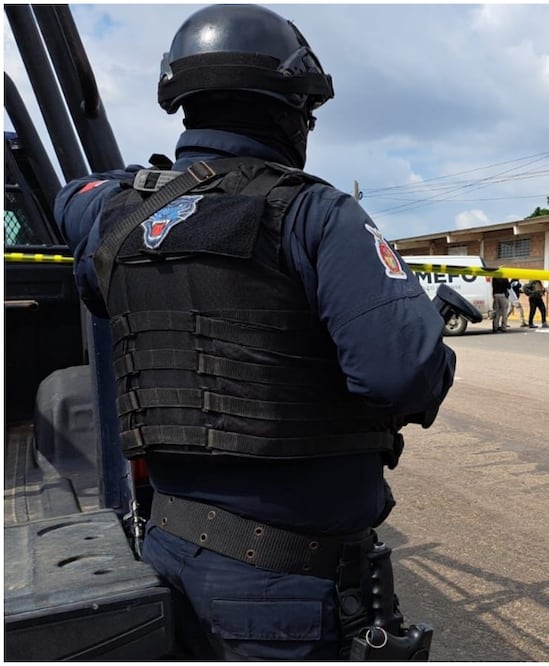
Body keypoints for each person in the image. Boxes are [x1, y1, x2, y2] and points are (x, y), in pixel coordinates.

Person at [53, 5, 455, 660]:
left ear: (188, 104)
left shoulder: (118, 216)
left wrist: (140, 187)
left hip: (166, 556)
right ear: (293, 111)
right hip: (288, 586)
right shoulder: (317, 213)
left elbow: (72, 197)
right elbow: (403, 371)